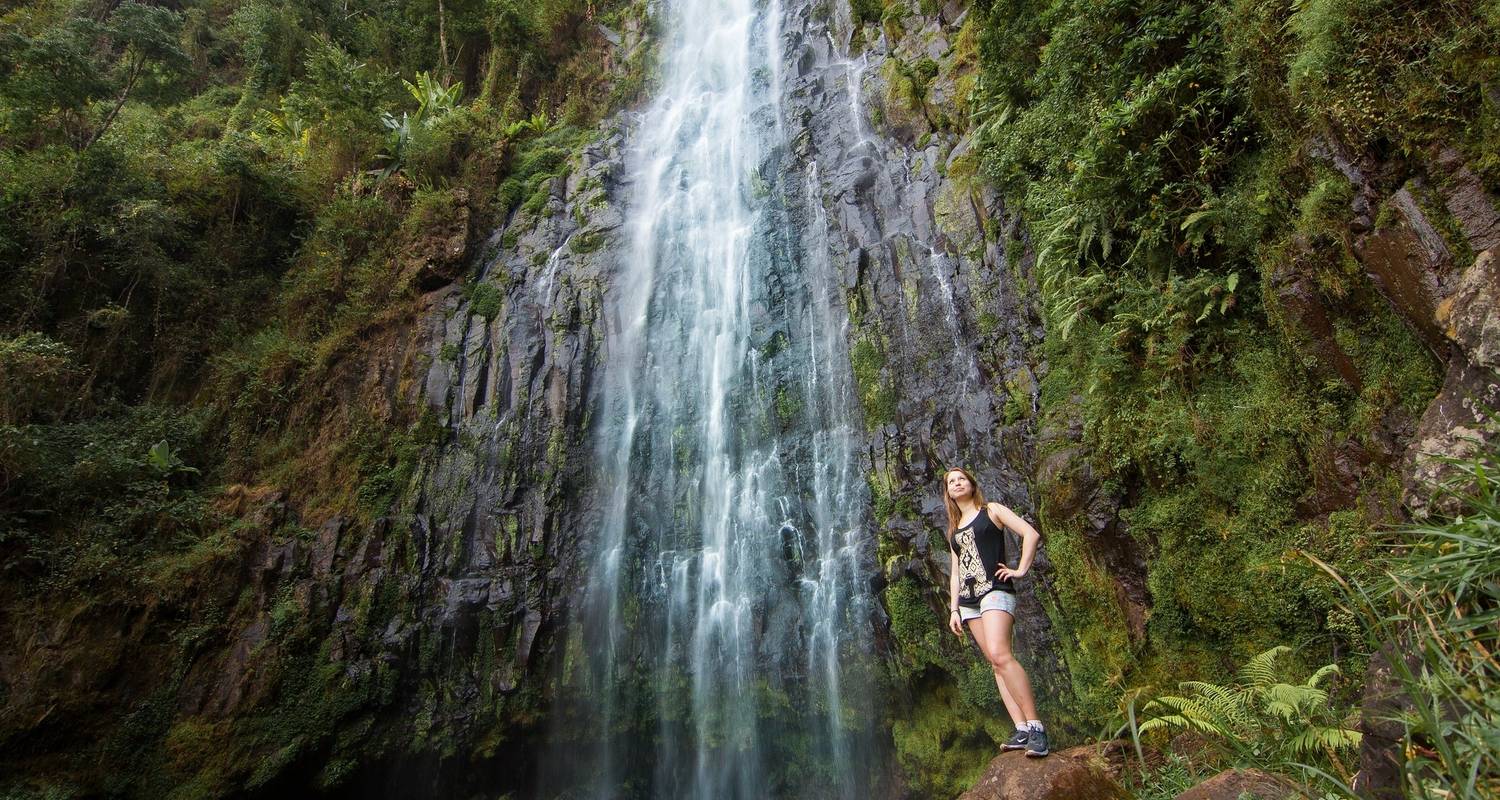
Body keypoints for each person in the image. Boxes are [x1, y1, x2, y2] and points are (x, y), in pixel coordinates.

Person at [941, 466, 1048, 757]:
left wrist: (1021, 569)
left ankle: (1036, 726)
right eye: (952, 481)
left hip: (995, 591)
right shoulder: (954, 529)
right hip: (968, 602)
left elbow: (1030, 533)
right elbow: (955, 573)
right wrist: (954, 609)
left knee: (1002, 655)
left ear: (972, 484)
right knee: (995, 663)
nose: (957, 483)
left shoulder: (993, 511)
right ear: (948, 493)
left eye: (961, 478)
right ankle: (1022, 728)